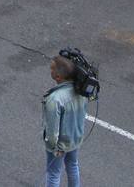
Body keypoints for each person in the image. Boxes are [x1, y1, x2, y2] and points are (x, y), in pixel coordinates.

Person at [42, 54, 89, 187]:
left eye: (52, 69)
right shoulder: (81, 90)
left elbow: (52, 130)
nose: (50, 71)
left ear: (58, 77)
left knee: (53, 174)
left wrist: (53, 147)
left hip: (59, 145)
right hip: (75, 138)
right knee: (73, 165)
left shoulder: (55, 99)